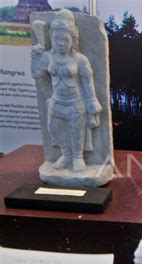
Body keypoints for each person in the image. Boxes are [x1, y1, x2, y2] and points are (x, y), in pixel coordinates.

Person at [31, 9, 102, 172]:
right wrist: (35, 57)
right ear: (51, 38)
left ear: (73, 40)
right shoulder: (47, 57)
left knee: (76, 130)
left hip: (76, 103)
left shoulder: (80, 60)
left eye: (65, 39)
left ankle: (77, 157)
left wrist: (92, 101)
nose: (60, 43)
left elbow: (87, 81)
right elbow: (37, 74)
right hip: (56, 102)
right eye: (56, 39)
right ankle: (65, 154)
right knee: (53, 128)